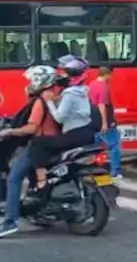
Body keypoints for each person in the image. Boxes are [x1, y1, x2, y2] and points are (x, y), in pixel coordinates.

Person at [0, 65, 62, 240]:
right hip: (55, 143)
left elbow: (31, 128)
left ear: (39, 81)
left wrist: (10, 132)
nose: (28, 84)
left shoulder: (40, 101)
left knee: (14, 177)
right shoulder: (53, 97)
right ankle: (38, 212)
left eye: (31, 80)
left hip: (40, 145)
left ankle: (10, 221)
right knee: (31, 173)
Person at [26, 54, 100, 192]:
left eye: (63, 73)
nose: (60, 76)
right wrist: (56, 100)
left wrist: (48, 101)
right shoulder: (82, 90)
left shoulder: (70, 93)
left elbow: (59, 117)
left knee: (38, 143)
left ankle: (42, 182)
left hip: (74, 134)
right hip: (85, 133)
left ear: (70, 76)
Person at [89, 65, 121, 178]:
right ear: (107, 74)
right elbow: (102, 105)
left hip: (93, 121)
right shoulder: (103, 87)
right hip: (104, 121)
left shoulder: (92, 85)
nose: (111, 78)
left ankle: (96, 169)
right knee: (114, 146)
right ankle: (115, 171)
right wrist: (105, 123)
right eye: (110, 75)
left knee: (96, 147)